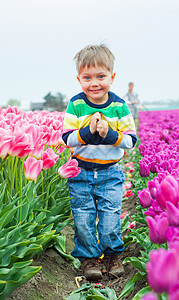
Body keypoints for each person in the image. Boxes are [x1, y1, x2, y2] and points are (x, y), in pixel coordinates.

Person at [62, 44, 137, 281]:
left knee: (110, 216)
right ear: (79, 79)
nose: (94, 83)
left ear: (112, 77)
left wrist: (110, 134)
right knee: (83, 217)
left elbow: (131, 141)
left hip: (110, 173)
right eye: (87, 77)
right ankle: (88, 259)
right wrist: (88, 131)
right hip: (80, 173)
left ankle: (113, 254)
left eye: (101, 76)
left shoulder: (119, 107)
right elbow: (67, 138)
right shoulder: (76, 104)